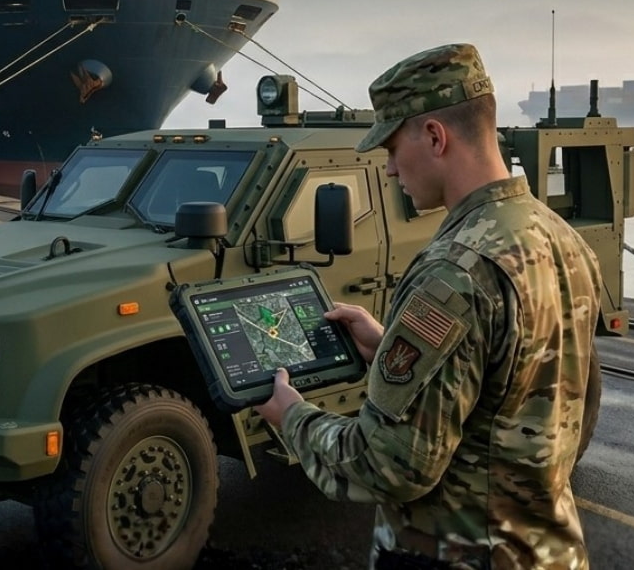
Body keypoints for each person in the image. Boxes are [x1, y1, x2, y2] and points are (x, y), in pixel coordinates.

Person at [254, 43, 601, 570]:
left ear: (435, 137)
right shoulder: (560, 238)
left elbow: (389, 465)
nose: (390, 170)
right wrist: (388, 341)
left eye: (392, 149)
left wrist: (292, 418)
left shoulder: (454, 271)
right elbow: (515, 388)